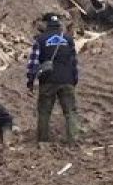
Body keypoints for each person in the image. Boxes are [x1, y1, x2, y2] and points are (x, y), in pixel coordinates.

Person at [27, 13, 79, 143]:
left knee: (44, 112)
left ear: (46, 24)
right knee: (70, 112)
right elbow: (74, 62)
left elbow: (33, 63)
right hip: (67, 80)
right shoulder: (68, 39)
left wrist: (30, 80)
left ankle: (43, 142)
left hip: (47, 81)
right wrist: (74, 78)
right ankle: (74, 140)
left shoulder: (40, 40)